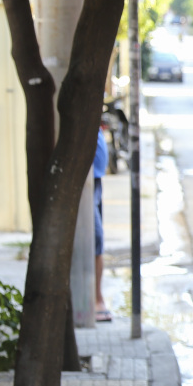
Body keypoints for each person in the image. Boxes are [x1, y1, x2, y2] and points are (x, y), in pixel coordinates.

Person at [93, 127, 110, 322]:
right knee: (96, 239)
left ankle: (97, 297)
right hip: (87, 182)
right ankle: (97, 298)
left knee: (97, 242)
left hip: (95, 181)